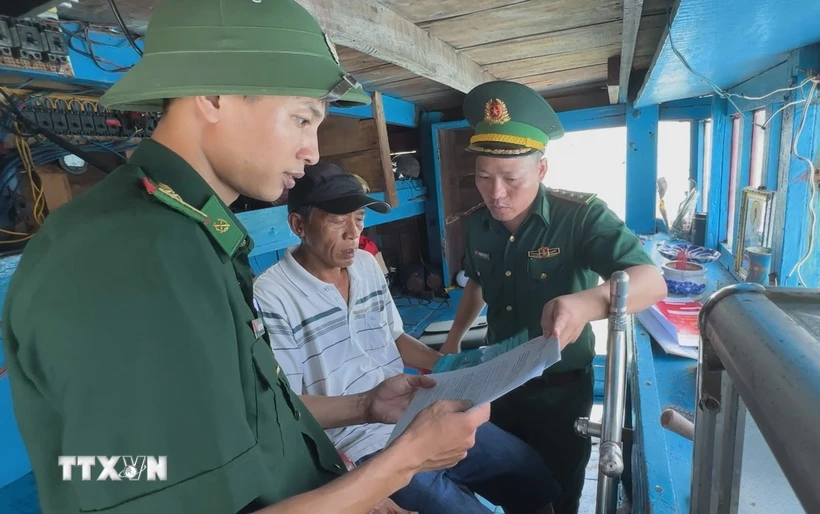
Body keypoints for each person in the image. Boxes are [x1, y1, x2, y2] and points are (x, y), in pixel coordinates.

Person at [0, 1, 490, 513]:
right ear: (213, 95)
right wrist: (401, 464)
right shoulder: (127, 257)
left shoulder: (194, 234)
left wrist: (364, 411)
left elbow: (250, 428)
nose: (312, 151)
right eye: (301, 118)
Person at [253, 162, 560, 514]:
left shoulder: (364, 265)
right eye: (338, 221)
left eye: (359, 218)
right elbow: (287, 408)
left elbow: (394, 337)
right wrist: (353, 457)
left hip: (416, 412)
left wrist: (453, 367)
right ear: (298, 225)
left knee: (526, 469)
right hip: (357, 444)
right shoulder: (271, 297)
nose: (353, 233)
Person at [439, 80, 668, 514]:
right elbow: (478, 283)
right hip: (499, 381)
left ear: (541, 169)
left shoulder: (581, 217)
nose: (496, 193)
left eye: (511, 179)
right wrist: (453, 340)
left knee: (559, 492)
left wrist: (586, 303)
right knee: (512, 488)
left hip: (560, 392)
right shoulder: (477, 224)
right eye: (483, 177)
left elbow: (651, 282)